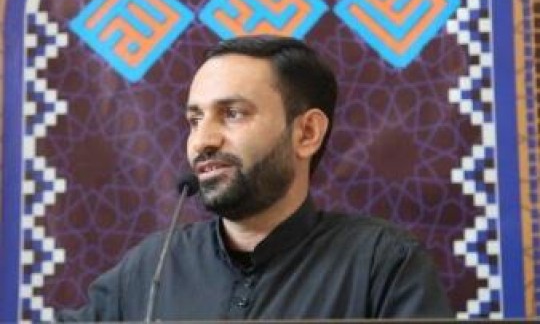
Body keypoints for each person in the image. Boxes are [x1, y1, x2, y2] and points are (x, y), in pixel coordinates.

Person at [57, 35, 454, 321]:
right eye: (195, 119)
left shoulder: (383, 266)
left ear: (306, 133)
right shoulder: (152, 267)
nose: (203, 141)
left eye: (232, 114)